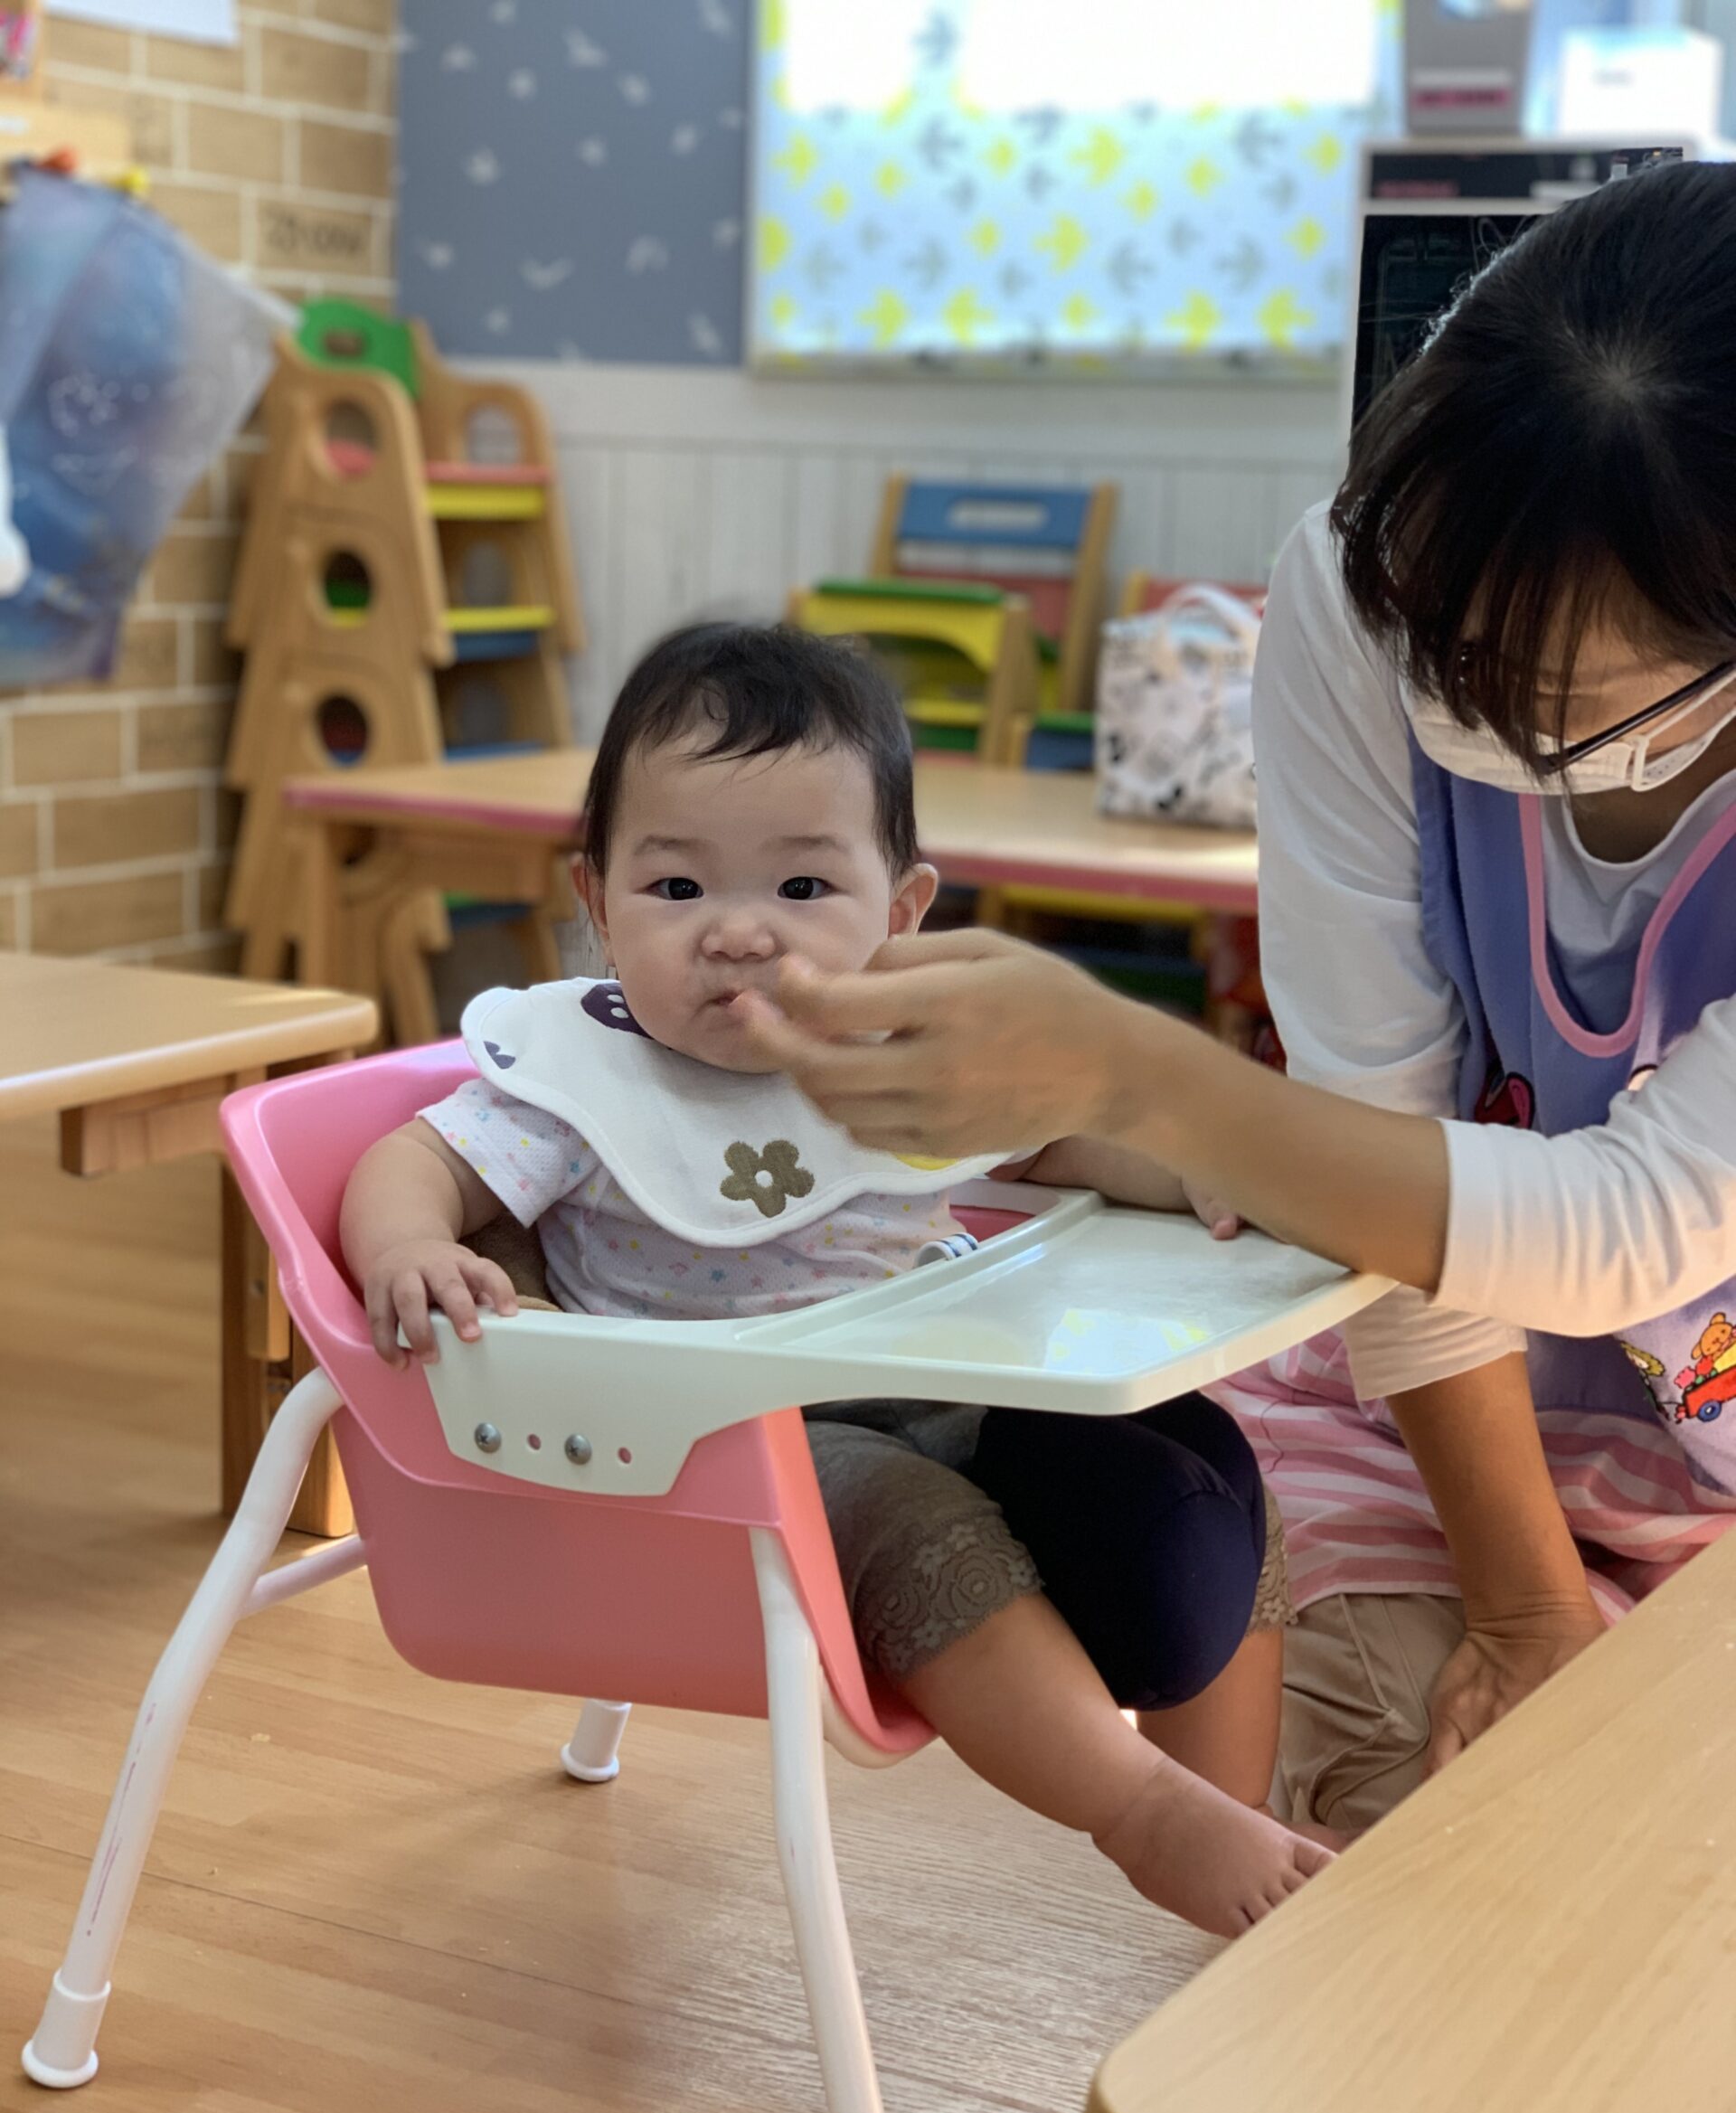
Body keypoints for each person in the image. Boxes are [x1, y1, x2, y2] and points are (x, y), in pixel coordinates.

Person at [740, 161, 1736, 1835]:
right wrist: (1521, 1603)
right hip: (1440, 1410)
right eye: (1427, 625)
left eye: (1532, 687)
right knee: (1437, 1836)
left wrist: (1140, 1078)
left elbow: (1635, 1222)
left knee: (1643, 1882)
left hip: (1687, 1388)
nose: (1446, 690)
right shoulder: (1359, 586)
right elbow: (1372, 1150)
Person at [340, 622, 1333, 1934]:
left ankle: (1239, 1820)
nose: (738, 933)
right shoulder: (582, 1083)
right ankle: (1144, 1812)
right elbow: (416, 1159)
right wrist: (411, 1245)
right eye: (677, 887)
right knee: (914, 1524)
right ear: (597, 900)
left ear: (902, 912)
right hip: (720, 1452)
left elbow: (1058, 1143)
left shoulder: (907, 1055)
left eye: (802, 887)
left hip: (949, 1382)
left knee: (1197, 1461)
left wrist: (1201, 1168)